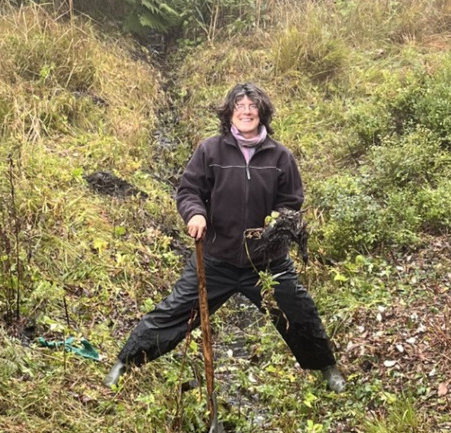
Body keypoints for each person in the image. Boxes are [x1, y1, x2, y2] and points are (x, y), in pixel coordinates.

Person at [105, 82, 345, 392]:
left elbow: (291, 200)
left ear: (262, 113)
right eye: (240, 107)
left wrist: (278, 224)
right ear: (229, 113)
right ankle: (126, 362)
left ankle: (326, 367)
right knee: (176, 310)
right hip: (216, 257)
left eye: (252, 106)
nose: (246, 112)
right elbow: (189, 191)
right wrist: (195, 214)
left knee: (298, 309)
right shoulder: (210, 150)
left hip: (267, 263)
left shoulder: (280, 156)